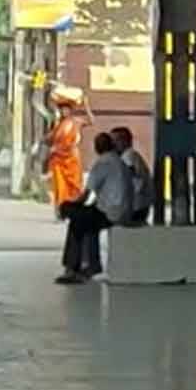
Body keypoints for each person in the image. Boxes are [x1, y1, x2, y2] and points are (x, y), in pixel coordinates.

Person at [55, 132, 132, 284]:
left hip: (110, 213)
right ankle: (91, 265)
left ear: (97, 148)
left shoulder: (102, 163)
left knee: (77, 221)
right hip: (123, 211)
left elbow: (85, 196)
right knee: (86, 220)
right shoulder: (118, 161)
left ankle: (72, 268)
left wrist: (66, 208)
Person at [43, 94, 92, 218]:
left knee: (75, 186)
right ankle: (60, 211)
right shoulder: (58, 124)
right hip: (58, 160)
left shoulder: (76, 121)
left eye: (67, 109)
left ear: (71, 110)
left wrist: (86, 106)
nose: (64, 111)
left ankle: (74, 210)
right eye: (62, 109)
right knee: (60, 187)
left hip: (72, 158)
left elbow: (91, 121)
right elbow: (50, 139)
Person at [111, 126, 153, 226]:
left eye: (116, 140)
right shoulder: (126, 157)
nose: (113, 144)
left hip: (134, 209)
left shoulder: (130, 156)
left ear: (126, 141)